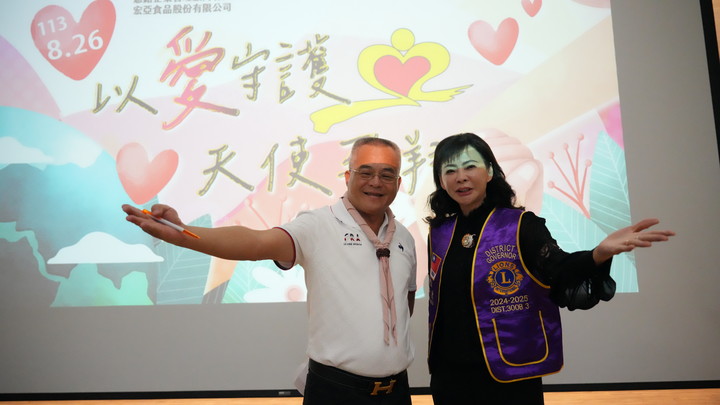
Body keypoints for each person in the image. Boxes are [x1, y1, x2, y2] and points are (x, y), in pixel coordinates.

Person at [122, 137, 417, 405]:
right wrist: (184, 234)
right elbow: (256, 243)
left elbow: (404, 307)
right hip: (335, 392)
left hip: (397, 392)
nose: (376, 182)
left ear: (398, 182)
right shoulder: (318, 225)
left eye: (386, 174)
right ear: (348, 177)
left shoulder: (404, 237)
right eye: (365, 172)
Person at [424, 133, 675, 405]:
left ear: (490, 172)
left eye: (470, 166)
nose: (461, 177)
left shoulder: (520, 225)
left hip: (509, 371)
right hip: (449, 373)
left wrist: (598, 254)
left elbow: (559, 269)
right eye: (450, 170)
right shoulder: (439, 233)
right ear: (441, 181)